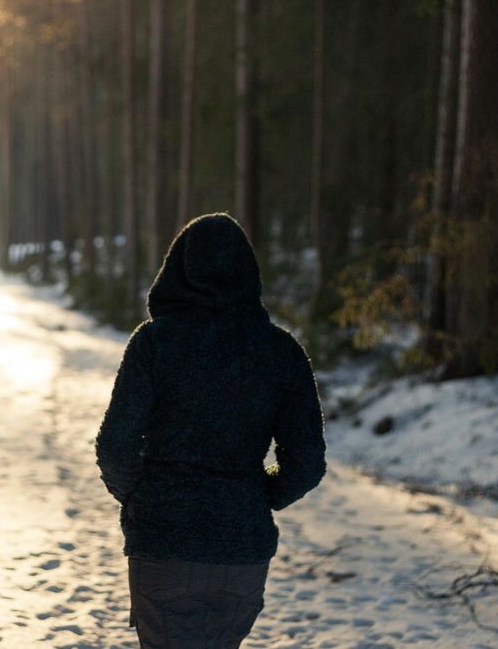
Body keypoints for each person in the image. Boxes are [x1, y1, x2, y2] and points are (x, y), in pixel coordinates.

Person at [95, 213, 328, 649]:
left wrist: (144, 498)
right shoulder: (281, 352)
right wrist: (259, 497)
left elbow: (114, 448)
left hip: (162, 546)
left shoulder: (154, 343)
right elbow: (307, 463)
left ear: (176, 271)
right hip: (241, 552)